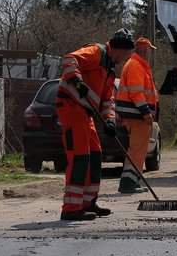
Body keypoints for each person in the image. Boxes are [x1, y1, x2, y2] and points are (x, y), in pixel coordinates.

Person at [56, 29, 136, 220]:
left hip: (85, 113)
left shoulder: (109, 71)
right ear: (118, 49)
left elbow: (107, 101)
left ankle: (88, 202)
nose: (126, 59)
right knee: (80, 156)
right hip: (71, 106)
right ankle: (70, 209)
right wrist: (76, 79)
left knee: (94, 155)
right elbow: (68, 59)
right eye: (126, 55)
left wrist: (109, 120)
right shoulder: (96, 52)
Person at [115, 37, 158, 193]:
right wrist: (146, 112)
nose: (151, 55)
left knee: (139, 149)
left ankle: (134, 181)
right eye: (150, 51)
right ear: (145, 51)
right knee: (137, 149)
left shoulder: (139, 65)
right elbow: (136, 92)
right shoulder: (136, 66)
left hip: (137, 115)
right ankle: (128, 183)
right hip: (137, 115)